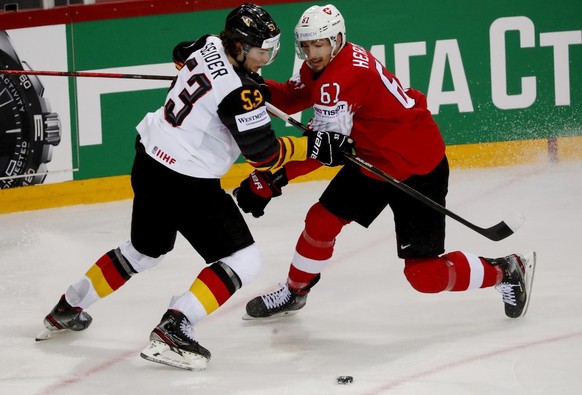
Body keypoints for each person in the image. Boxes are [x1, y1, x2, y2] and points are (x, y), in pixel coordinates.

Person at [36, 3, 353, 371]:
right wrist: (313, 145)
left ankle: (66, 308)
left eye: (271, 48)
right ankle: (176, 325)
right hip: (186, 182)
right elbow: (265, 156)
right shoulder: (241, 93)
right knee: (244, 260)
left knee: (143, 251)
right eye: (260, 49)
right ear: (237, 46)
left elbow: (180, 53)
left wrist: (201, 79)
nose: (267, 57)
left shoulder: (208, 45)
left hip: (150, 162)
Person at [234, 4, 536, 322]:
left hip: (416, 168)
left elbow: (323, 151)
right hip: (373, 159)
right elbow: (294, 98)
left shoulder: (343, 79)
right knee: (321, 221)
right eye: (306, 45)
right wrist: (251, 86)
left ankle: (505, 270)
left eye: (318, 43)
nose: (312, 53)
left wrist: (266, 181)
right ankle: (295, 292)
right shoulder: (328, 64)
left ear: (336, 39)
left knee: (424, 276)